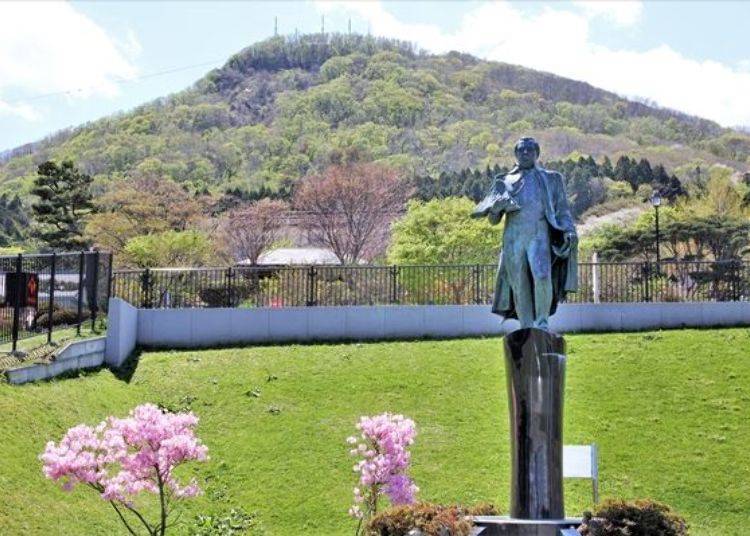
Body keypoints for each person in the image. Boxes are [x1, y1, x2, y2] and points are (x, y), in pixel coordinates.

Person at [472, 137, 578, 329]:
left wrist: (569, 230)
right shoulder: (503, 181)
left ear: (537, 153)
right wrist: (496, 209)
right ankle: (526, 327)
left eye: (529, 150)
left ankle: (542, 324)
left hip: (539, 234)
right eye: (521, 150)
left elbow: (562, 210)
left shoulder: (552, 179)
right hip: (513, 238)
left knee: (542, 275)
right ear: (515, 154)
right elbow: (493, 220)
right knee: (518, 283)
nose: (525, 153)